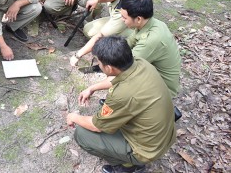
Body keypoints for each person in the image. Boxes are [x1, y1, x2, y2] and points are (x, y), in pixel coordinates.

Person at [66, 36, 176, 173]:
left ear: (109, 68)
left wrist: (73, 116)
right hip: (163, 135)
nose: (98, 65)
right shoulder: (141, 63)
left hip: (147, 150)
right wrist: (92, 88)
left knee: (82, 134)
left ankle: (127, 166)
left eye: (99, 63)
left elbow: (96, 126)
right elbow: (117, 78)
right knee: (108, 111)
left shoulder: (122, 95)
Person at [70, 0, 136, 63]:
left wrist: (78, 55)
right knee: (88, 29)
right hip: (119, 18)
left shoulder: (124, 10)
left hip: (131, 26)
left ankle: (119, 49)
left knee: (94, 34)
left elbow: (100, 35)